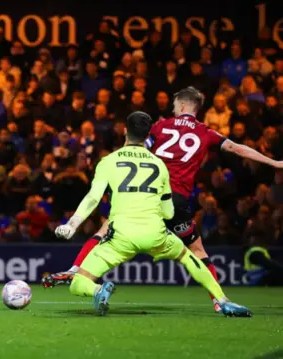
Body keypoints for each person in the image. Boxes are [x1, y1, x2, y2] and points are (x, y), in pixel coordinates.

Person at [43, 87, 283, 313]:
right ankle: (220, 301)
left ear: (181, 104)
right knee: (196, 250)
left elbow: (136, 147)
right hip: (175, 199)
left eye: (173, 105)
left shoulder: (160, 127)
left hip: (147, 194)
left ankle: (76, 270)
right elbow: (237, 148)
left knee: (106, 227)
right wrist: (274, 163)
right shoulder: (205, 132)